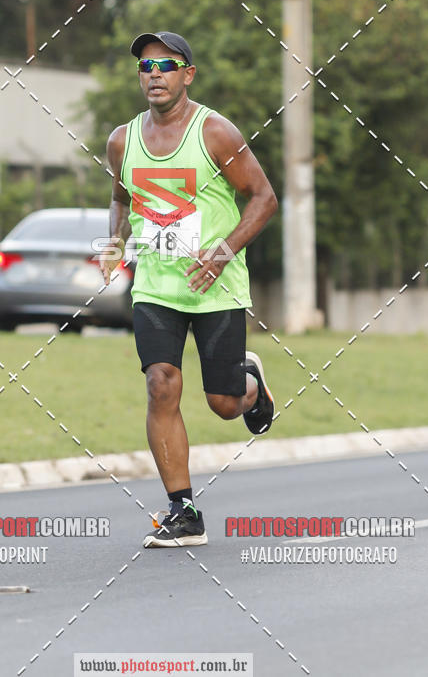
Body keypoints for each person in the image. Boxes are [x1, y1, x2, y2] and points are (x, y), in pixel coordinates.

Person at [100, 31, 278, 548]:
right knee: (161, 382)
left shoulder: (216, 133)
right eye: (145, 65)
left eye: (166, 64)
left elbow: (264, 198)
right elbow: (119, 197)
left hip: (215, 288)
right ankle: (184, 511)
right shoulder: (121, 140)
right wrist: (114, 241)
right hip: (156, 287)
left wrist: (224, 253)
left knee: (222, 403)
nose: (153, 73)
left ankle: (250, 383)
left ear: (187, 75)